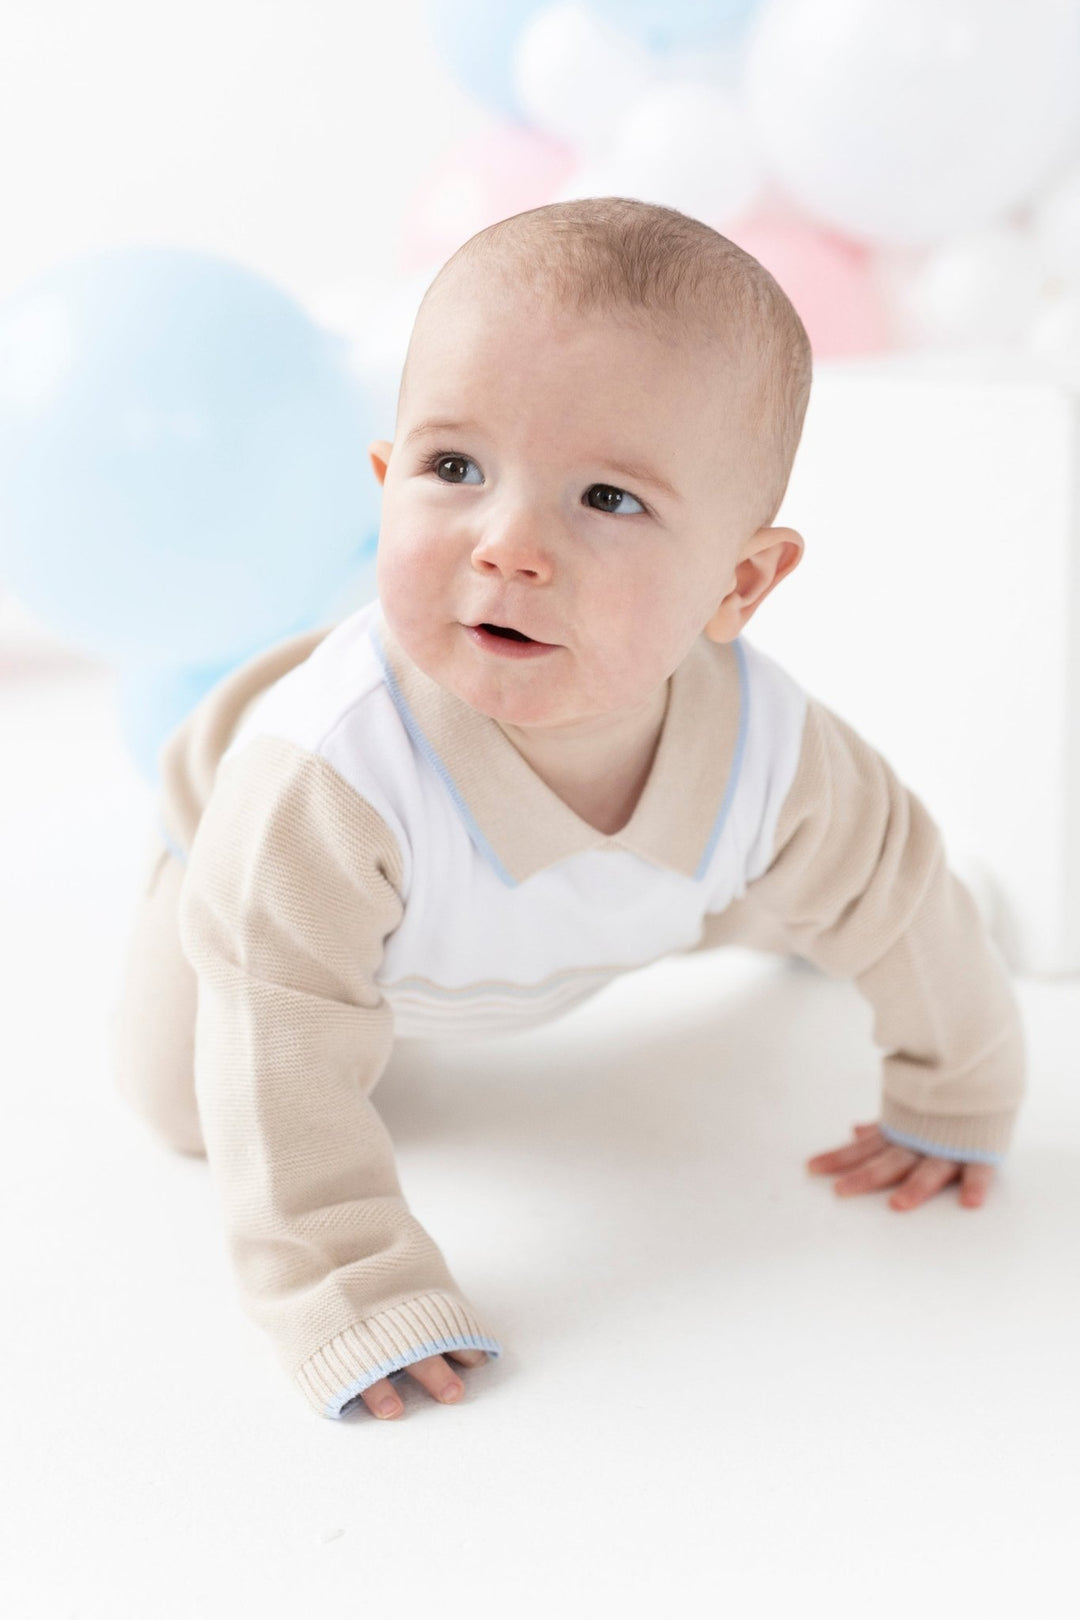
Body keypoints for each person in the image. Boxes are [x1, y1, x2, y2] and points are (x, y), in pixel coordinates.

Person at [109, 197, 1026, 1424]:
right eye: (453, 469)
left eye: (608, 499)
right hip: (284, 913)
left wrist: (958, 1089)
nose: (507, 546)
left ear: (740, 581)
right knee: (189, 1107)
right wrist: (358, 1295)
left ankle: (772, 920)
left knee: (825, 881)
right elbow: (282, 1071)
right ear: (385, 484)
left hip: (619, 899)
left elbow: (903, 895)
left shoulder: (778, 753)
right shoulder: (320, 783)